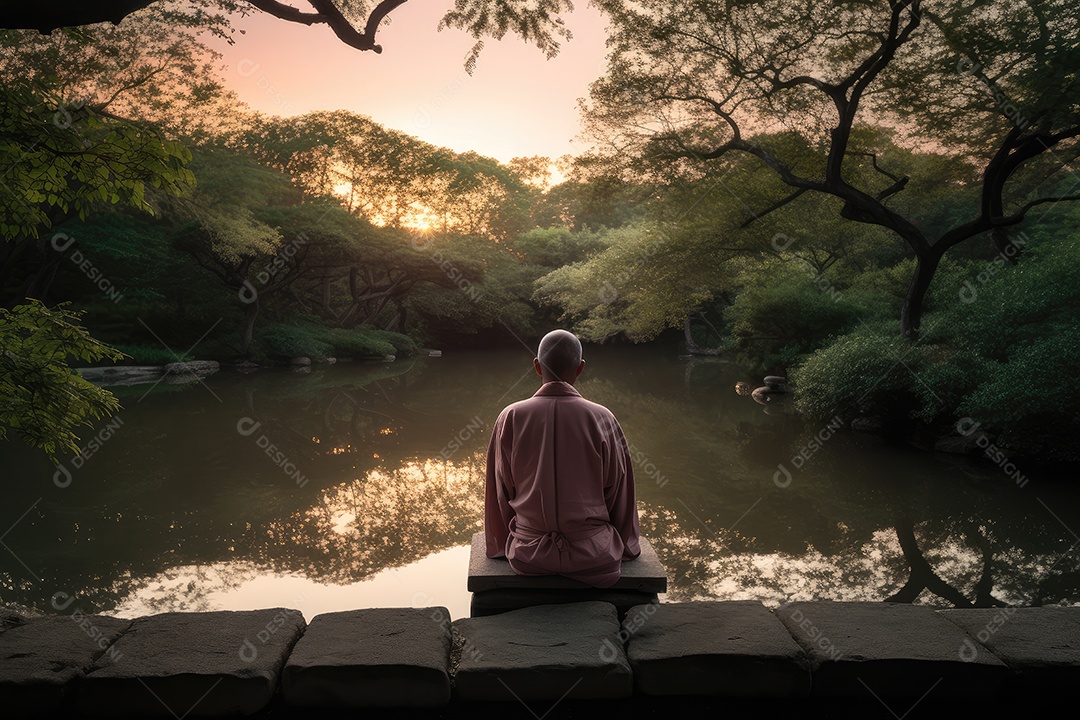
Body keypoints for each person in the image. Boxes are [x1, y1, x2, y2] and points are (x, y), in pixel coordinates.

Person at [484, 329, 640, 588]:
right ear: (580, 368)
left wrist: (500, 544)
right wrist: (627, 546)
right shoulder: (603, 418)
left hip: (528, 555)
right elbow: (621, 494)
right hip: (595, 557)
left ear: (537, 366)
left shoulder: (510, 417)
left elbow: (500, 492)